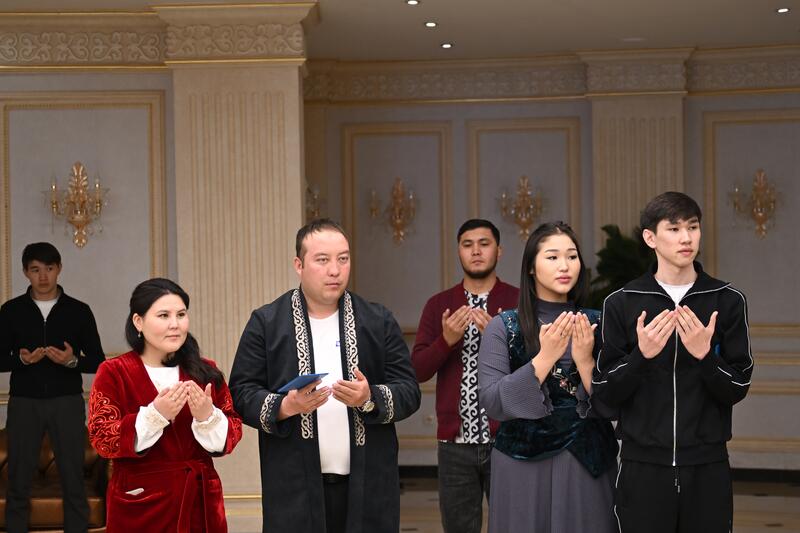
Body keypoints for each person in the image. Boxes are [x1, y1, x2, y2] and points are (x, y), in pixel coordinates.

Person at [229, 218, 421, 533]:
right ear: (299, 265)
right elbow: (241, 392)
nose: (335, 270)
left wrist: (369, 397)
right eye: (322, 260)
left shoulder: (377, 320)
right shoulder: (267, 323)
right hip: (293, 487)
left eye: (343, 259)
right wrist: (286, 406)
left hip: (368, 484)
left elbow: (409, 391)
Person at [591, 192, 752, 533]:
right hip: (642, 466)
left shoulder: (727, 300)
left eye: (693, 227)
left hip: (707, 465)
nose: (686, 238)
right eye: (674, 228)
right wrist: (641, 357)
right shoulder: (622, 302)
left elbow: (738, 386)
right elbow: (605, 391)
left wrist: (705, 357)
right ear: (650, 238)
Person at [478, 221, 618, 533]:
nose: (564, 265)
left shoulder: (600, 324)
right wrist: (544, 358)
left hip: (589, 460)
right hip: (521, 462)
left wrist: (585, 362)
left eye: (572, 256)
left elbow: (616, 406)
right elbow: (492, 402)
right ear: (531, 267)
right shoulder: (504, 327)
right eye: (552, 257)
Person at [87, 278, 242, 532]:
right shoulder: (114, 372)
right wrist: (155, 415)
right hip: (140, 505)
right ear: (138, 321)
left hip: (199, 503)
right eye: (163, 315)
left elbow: (232, 433)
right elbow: (102, 438)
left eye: (181, 314)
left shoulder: (206, 371)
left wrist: (206, 417)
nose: (175, 324)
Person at [411, 218, 519, 533]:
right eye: (467, 244)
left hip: (508, 439)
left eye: (484, 244)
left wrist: (498, 340)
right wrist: (445, 341)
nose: (476, 251)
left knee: (514, 525)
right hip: (454, 444)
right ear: (458, 251)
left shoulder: (517, 301)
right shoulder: (438, 305)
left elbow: (534, 368)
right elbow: (417, 370)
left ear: (499, 251)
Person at [0, 242, 105, 533]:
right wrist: (21, 360)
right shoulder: (11, 311)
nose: (43, 276)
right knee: (18, 479)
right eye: (35, 270)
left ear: (59, 269)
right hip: (24, 403)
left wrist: (72, 361)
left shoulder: (79, 311)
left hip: (66, 402)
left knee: (73, 479)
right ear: (25, 272)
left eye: (49, 268)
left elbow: (98, 361)